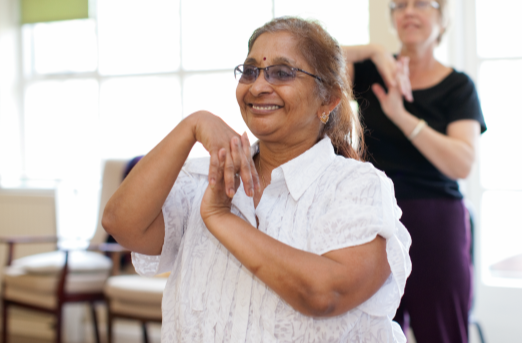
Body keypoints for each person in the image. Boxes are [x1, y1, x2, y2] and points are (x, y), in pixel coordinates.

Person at [102, 17, 412, 343]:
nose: (258, 86)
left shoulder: (356, 187)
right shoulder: (206, 178)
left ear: (329, 100)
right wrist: (191, 126)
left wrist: (221, 218)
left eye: (282, 72)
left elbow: (325, 294)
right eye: (250, 71)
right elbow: (121, 223)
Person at [343, 1, 487, 342]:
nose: (409, 11)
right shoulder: (368, 73)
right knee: (369, 328)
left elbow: (462, 162)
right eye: (400, 4)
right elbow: (309, 54)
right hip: (374, 218)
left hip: (435, 223)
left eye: (421, 3)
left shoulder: (458, 87)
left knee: (441, 332)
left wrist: (400, 114)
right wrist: (374, 51)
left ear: (442, 18)